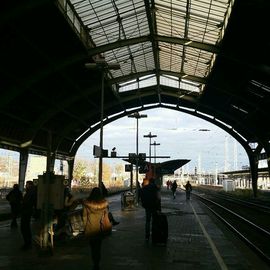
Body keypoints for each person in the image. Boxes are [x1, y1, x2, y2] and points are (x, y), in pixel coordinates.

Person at [83, 187, 112, 270]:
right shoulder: (104, 204)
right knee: (98, 247)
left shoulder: (87, 204)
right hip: (100, 228)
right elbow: (106, 214)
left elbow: (84, 216)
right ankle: (97, 263)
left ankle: (94, 263)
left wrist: (85, 228)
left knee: (93, 248)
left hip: (90, 228)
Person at [20, 180, 37, 250]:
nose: (25, 186)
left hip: (26, 212)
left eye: (26, 185)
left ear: (29, 185)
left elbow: (26, 202)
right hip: (28, 211)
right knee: (26, 227)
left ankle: (27, 243)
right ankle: (28, 242)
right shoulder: (32, 191)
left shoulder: (30, 191)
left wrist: (22, 203)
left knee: (24, 227)